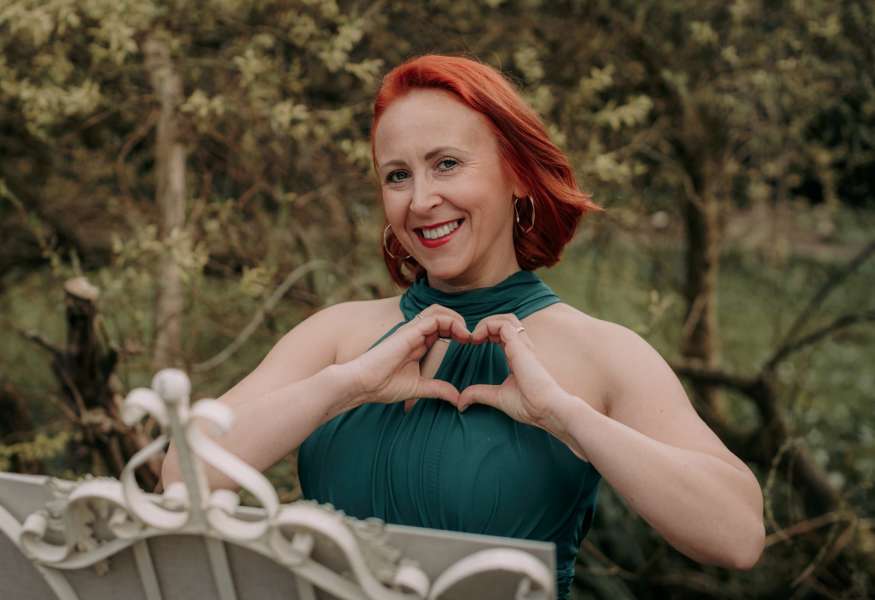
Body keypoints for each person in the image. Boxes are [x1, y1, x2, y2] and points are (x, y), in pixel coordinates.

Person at [161, 55, 765, 599]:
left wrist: (566, 416)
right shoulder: (336, 335)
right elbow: (181, 476)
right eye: (397, 176)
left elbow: (738, 536)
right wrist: (346, 386)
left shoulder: (601, 352)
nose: (421, 199)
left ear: (517, 174)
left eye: (446, 164)